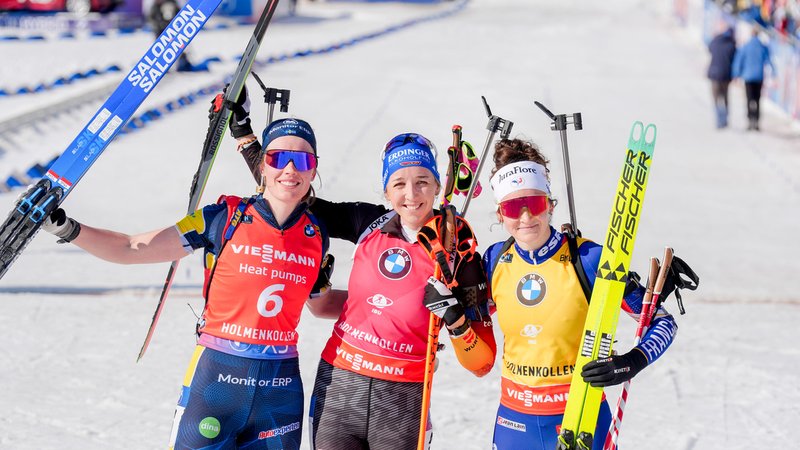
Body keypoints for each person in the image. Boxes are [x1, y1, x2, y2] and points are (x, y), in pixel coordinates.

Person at [41, 118, 335, 449]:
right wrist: (68, 229)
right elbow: (130, 248)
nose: (291, 169)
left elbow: (321, 304)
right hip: (217, 377)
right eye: (278, 158)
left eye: (305, 160)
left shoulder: (316, 235)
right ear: (263, 164)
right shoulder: (222, 218)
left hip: (279, 390)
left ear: (314, 171)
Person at [230, 102, 496, 449]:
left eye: (422, 182)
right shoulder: (370, 223)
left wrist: (456, 321)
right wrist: (245, 138)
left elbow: (481, 363)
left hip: (404, 399)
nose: (411, 195)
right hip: (338, 384)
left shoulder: (458, 251)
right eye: (399, 183)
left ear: (437, 186)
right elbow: (290, 191)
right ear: (386, 190)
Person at [479, 138, 692, 450]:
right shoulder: (494, 260)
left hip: (580, 417)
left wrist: (631, 362)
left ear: (550, 205)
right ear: (500, 214)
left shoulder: (590, 259)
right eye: (512, 207)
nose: (525, 218)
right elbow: (473, 325)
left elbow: (663, 323)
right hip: (514, 420)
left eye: (535, 204)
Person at [732, 28, 775, 131]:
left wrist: (736, 75)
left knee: (749, 99)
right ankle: (756, 122)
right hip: (759, 77)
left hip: (748, 77)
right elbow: (769, 61)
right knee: (757, 99)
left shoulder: (745, 46)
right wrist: (774, 74)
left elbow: (738, 61)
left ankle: (750, 121)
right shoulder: (762, 47)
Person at [148, 0, 193, 72]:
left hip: (173, 30)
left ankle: (183, 64)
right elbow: (152, 18)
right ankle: (161, 66)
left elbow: (179, 14)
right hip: (161, 32)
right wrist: (159, 25)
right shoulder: (155, 6)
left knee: (179, 46)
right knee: (161, 50)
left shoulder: (172, 3)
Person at [707, 26, 736, 129]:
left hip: (714, 74)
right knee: (725, 97)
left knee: (716, 98)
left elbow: (709, 48)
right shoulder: (732, 45)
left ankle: (719, 120)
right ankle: (724, 119)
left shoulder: (715, 41)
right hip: (725, 75)